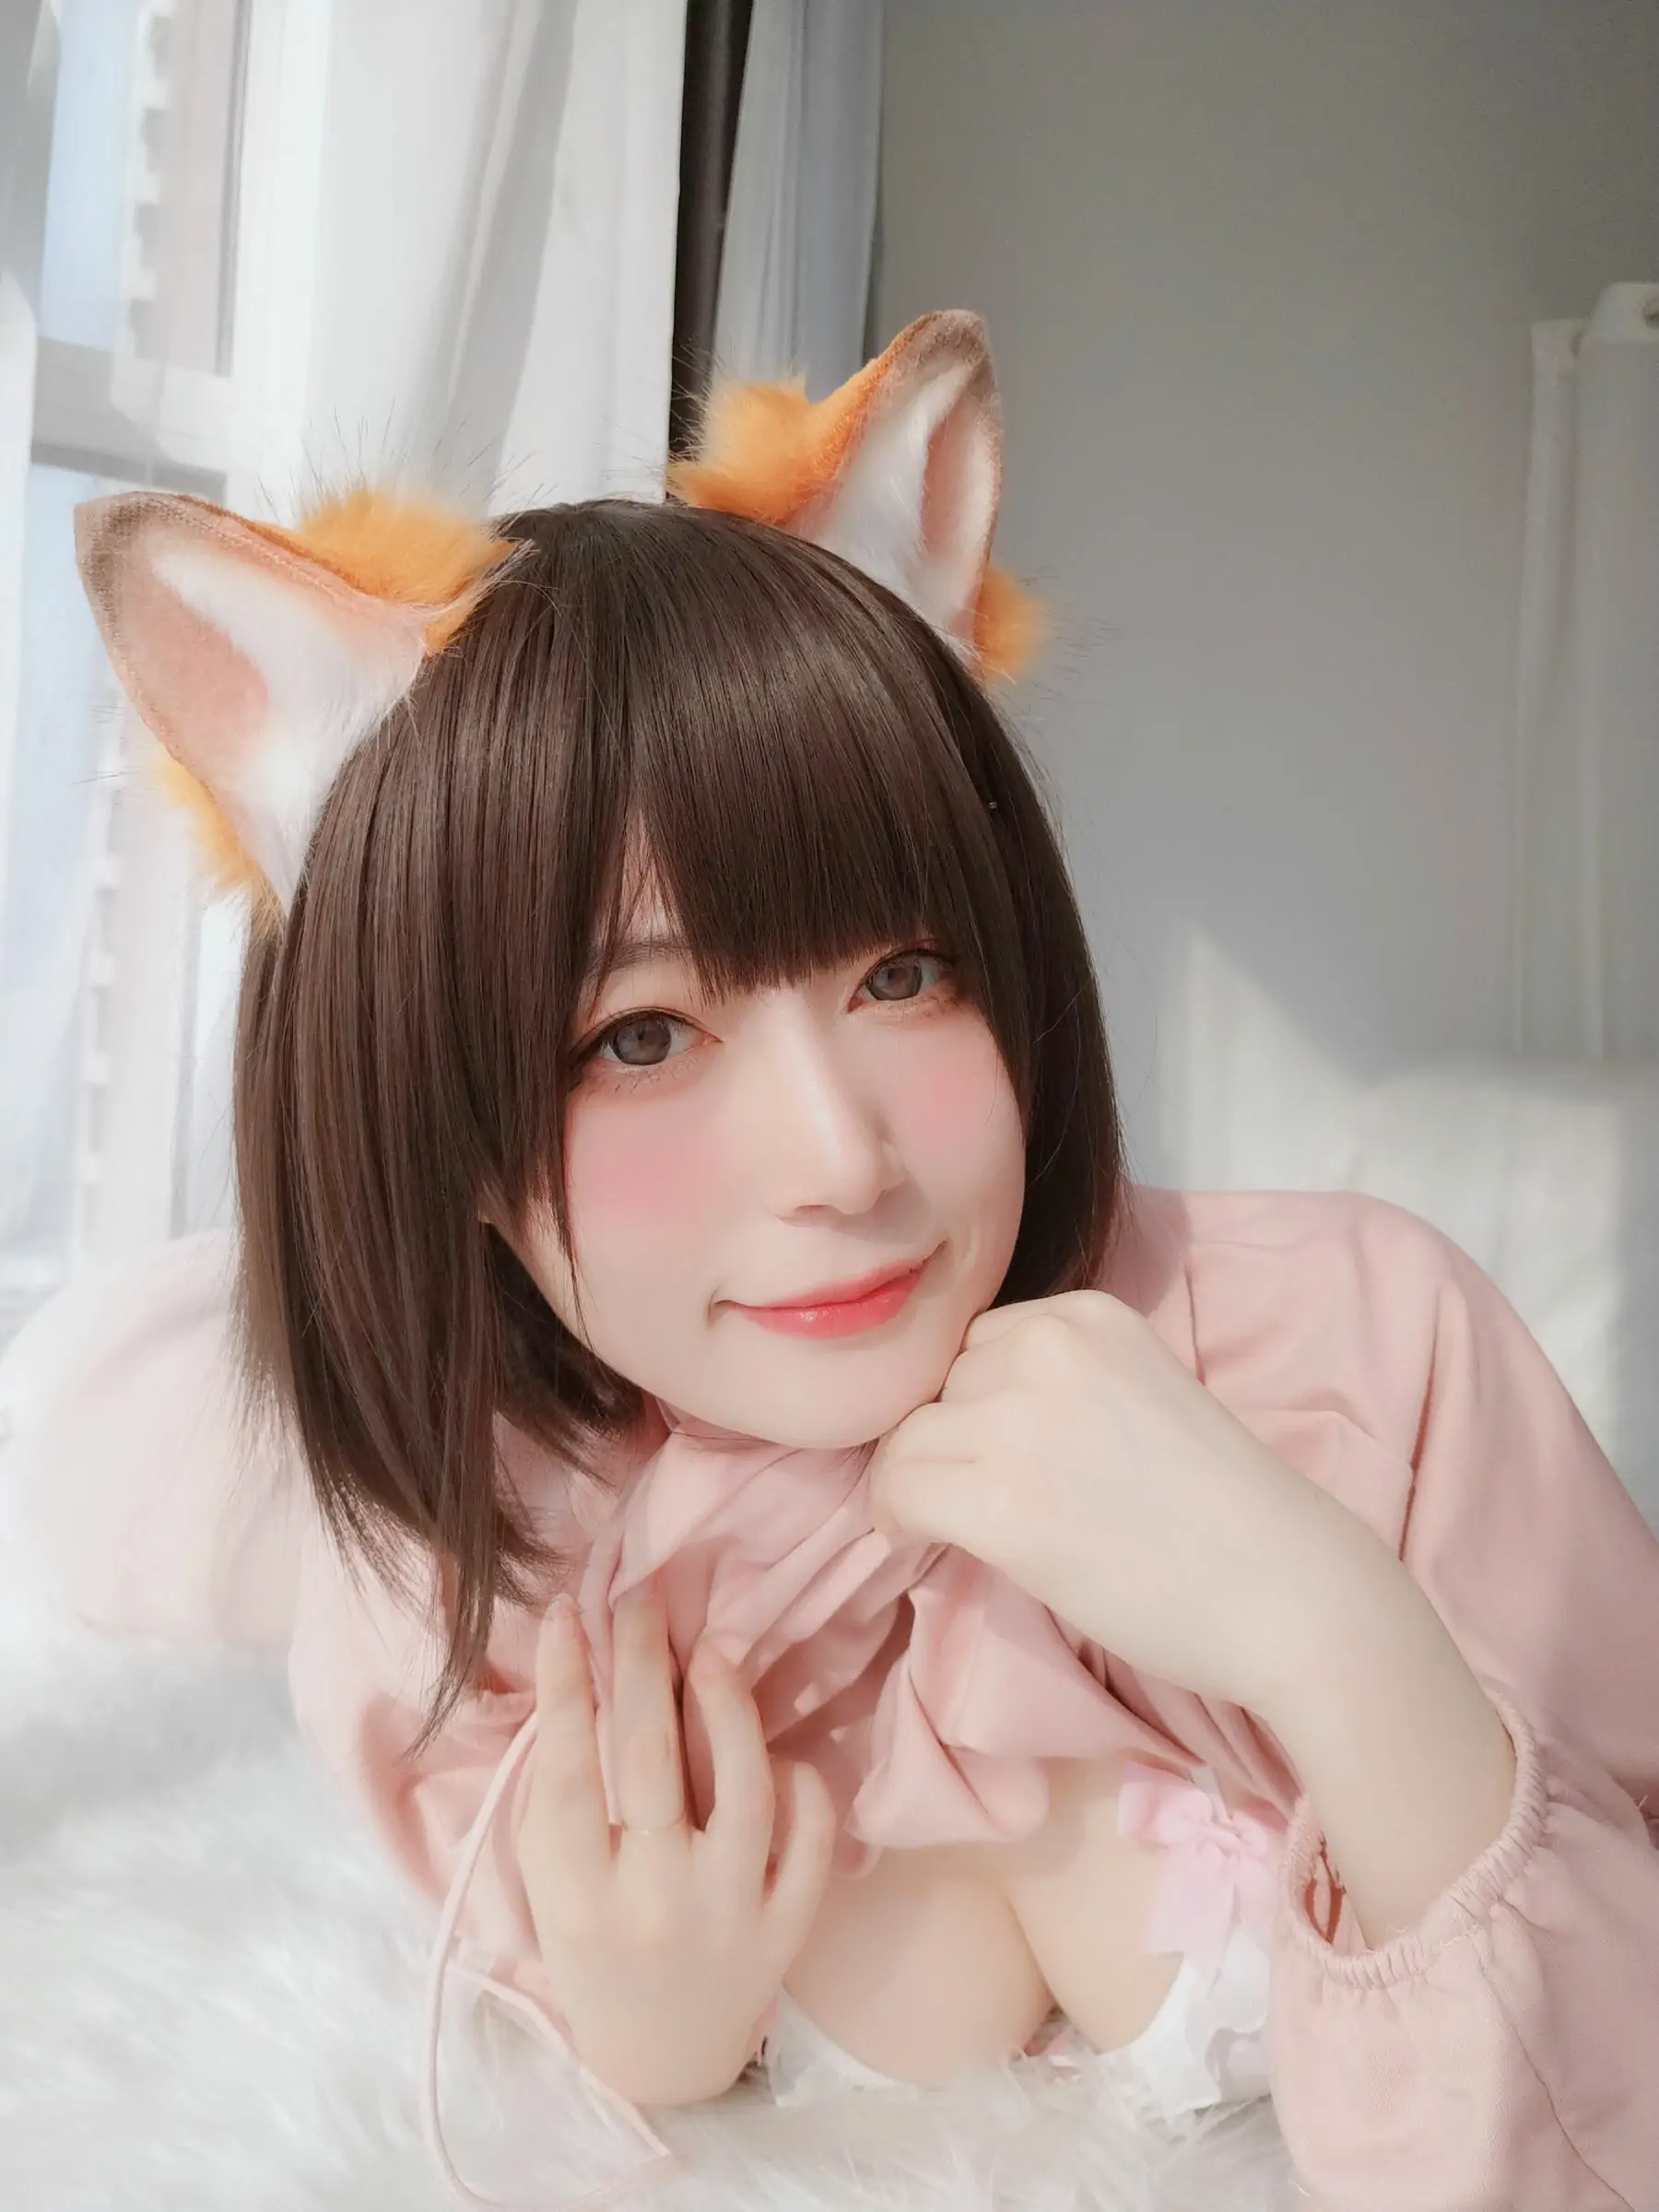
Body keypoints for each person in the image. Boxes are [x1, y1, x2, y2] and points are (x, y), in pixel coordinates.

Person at [51, 310, 1659, 2211]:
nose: (840, 1159)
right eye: (641, 1036)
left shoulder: (1364, 1356)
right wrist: (643, 2035)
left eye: (904, 973)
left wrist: (1323, 1630)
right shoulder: (468, 1592)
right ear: (449, 1138)